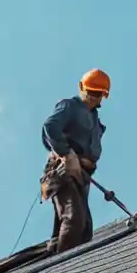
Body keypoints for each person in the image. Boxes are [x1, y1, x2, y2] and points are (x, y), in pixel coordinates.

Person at [40, 69, 110, 254]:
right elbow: (50, 126)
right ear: (82, 88)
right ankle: (61, 269)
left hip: (81, 176)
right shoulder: (69, 106)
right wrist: (67, 154)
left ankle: (58, 252)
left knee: (84, 229)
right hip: (64, 172)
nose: (93, 97)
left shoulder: (95, 120)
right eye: (91, 92)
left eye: (98, 94)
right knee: (74, 219)